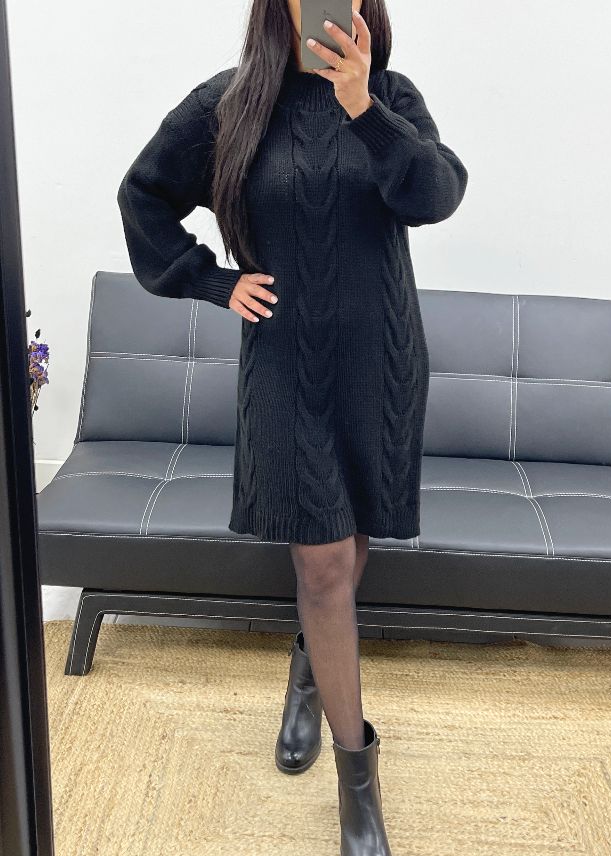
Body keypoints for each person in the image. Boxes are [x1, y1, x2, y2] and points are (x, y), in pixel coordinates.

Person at [117, 1, 468, 852]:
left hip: (381, 365)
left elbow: (437, 195)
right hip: (284, 367)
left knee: (348, 549)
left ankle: (312, 668)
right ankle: (359, 789)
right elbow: (143, 195)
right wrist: (211, 281)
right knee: (321, 564)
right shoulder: (229, 103)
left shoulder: (391, 98)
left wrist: (362, 107)